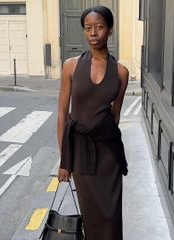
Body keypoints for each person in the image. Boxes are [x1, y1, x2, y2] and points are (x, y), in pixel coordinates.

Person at [57, 5, 128, 240]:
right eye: (88, 29)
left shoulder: (121, 72)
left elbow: (115, 115)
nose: (93, 33)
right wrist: (64, 161)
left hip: (109, 153)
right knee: (90, 215)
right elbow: (61, 114)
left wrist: (106, 135)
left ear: (110, 30)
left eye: (99, 27)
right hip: (81, 152)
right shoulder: (71, 66)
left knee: (110, 215)